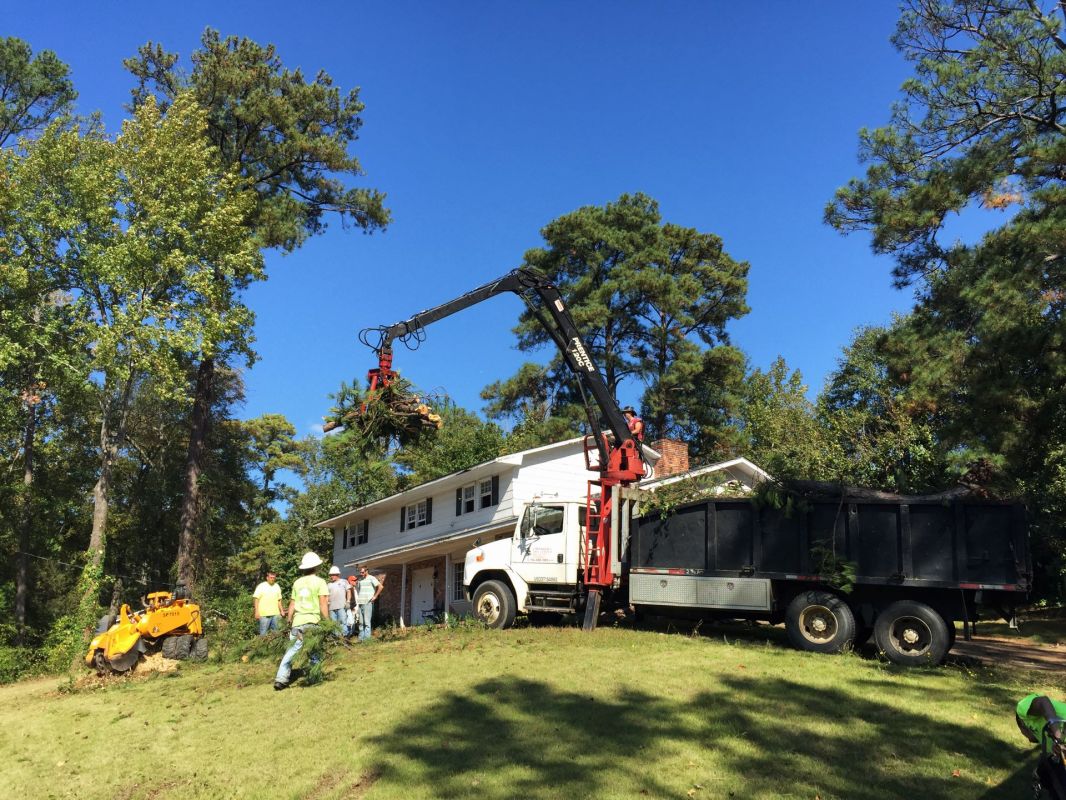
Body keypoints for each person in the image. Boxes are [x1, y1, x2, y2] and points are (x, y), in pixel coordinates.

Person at [274, 551, 329, 690]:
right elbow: (323, 604)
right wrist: (328, 621)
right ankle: (314, 676)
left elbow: (292, 603)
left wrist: (289, 620)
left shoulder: (297, 583)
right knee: (314, 650)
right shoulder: (320, 582)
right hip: (312, 622)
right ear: (316, 567)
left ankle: (281, 679)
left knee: (292, 650)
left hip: (297, 623)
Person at [354, 565, 382, 641]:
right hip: (360, 603)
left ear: (367, 571)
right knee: (361, 622)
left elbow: (380, 587)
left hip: (367, 603)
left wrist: (375, 596)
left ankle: (367, 640)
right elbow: (359, 590)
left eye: (363, 572)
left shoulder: (372, 578)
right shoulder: (360, 580)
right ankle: (361, 639)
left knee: (367, 622)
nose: (361, 573)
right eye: (360, 572)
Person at [252, 570, 283, 636]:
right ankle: (262, 646)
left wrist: (282, 611)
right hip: (264, 615)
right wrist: (256, 612)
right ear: (267, 578)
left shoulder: (277, 586)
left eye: (274, 578)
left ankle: (275, 645)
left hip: (276, 614)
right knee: (263, 634)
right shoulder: (261, 586)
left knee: (277, 633)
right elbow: (256, 599)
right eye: (271, 577)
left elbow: (279, 600)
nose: (272, 579)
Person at [326, 565, 349, 635]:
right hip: (331, 608)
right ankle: (336, 639)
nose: (331, 576)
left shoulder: (344, 581)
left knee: (342, 622)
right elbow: (327, 596)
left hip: (341, 606)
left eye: (333, 575)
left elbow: (349, 591)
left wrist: (348, 601)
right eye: (330, 575)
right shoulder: (329, 584)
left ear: (337, 574)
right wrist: (327, 605)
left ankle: (344, 638)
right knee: (334, 625)